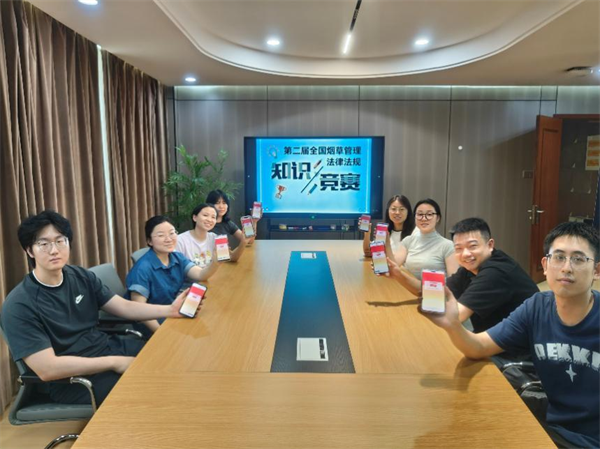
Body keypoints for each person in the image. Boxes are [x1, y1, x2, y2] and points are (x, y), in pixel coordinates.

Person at [422, 222, 600, 449]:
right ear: (545, 265)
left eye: (578, 259)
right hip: (550, 426)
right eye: (558, 257)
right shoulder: (537, 306)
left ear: (596, 270)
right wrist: (452, 326)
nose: (566, 267)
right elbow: (479, 347)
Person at [1, 210, 190, 406]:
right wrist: (115, 362)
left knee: (169, 358)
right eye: (44, 244)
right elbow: (48, 369)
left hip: (105, 348)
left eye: (60, 241)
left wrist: (170, 310)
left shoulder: (80, 276)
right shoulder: (19, 304)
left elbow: (124, 307)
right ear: (30, 251)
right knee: (150, 389)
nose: (54, 250)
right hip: (73, 379)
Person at [126, 215, 216, 338]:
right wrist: (162, 334)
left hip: (172, 311)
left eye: (172, 233)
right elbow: (139, 310)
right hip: (152, 322)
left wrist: (216, 261)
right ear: (149, 241)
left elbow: (200, 274)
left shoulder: (176, 257)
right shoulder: (142, 269)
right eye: (161, 235)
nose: (168, 239)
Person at [447, 217, 539, 333]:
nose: (465, 254)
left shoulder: (497, 272)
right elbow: (442, 289)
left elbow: (455, 317)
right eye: (458, 248)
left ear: (490, 245)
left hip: (527, 339)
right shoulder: (471, 267)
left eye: (472, 246)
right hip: (497, 336)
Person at [387, 198, 459, 295]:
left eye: (429, 214)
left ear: (437, 218)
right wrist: (386, 241)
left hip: (434, 297)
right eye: (420, 214)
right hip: (409, 293)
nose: (424, 218)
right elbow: (393, 265)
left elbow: (454, 284)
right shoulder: (408, 240)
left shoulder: (447, 245)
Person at [206, 190, 260, 262]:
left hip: (222, 263)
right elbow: (229, 257)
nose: (221, 206)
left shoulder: (228, 223)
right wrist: (243, 242)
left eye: (224, 203)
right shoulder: (206, 225)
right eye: (217, 203)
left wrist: (254, 221)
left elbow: (249, 241)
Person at [176, 203, 220, 269]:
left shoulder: (216, 238)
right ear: (195, 218)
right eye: (205, 215)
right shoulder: (180, 240)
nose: (209, 220)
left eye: (213, 217)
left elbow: (226, 259)